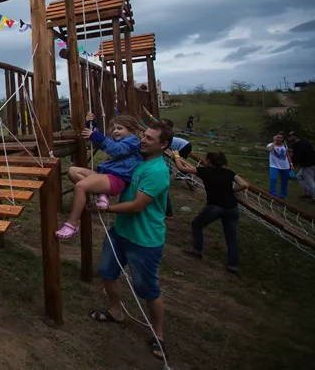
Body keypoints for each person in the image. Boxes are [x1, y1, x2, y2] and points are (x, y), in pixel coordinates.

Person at [89, 121, 172, 361]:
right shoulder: (138, 161)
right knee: (107, 272)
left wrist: (103, 211)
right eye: (143, 136)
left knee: (147, 289)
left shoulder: (156, 171)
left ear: (163, 145)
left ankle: (159, 334)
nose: (142, 140)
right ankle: (116, 311)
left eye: (149, 139)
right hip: (120, 232)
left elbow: (137, 206)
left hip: (144, 239)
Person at [56, 113, 142, 239]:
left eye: (120, 128)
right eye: (114, 128)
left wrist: (99, 137)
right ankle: (100, 194)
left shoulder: (133, 141)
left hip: (117, 179)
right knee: (73, 171)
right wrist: (93, 127)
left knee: (80, 186)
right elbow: (102, 143)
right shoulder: (120, 140)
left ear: (132, 131)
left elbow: (116, 149)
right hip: (106, 176)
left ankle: (72, 223)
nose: (115, 131)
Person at [174, 152, 249, 275]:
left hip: (215, 206)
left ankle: (197, 250)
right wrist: (233, 190)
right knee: (231, 237)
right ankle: (233, 265)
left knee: (197, 224)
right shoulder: (229, 173)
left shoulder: (205, 171)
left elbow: (181, 168)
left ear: (208, 161)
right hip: (232, 208)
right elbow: (245, 184)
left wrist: (176, 155)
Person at [163, 119, 193, 218]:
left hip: (183, 146)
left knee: (179, 162)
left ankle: (184, 174)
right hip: (185, 144)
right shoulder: (166, 136)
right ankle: (183, 174)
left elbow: (168, 152)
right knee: (178, 162)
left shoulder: (166, 138)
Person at [288, 132, 315, 200]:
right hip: (311, 163)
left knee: (310, 181)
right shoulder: (305, 142)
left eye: (290, 136)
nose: (289, 138)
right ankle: (308, 192)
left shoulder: (297, 145)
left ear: (294, 136)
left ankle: (314, 196)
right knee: (299, 176)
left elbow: (297, 156)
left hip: (308, 165)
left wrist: (292, 165)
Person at [266, 133, 292, 198]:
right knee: (273, 178)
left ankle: (283, 195)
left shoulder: (285, 146)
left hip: (285, 166)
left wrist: (291, 164)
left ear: (283, 139)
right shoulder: (270, 145)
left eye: (281, 138)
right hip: (274, 166)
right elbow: (269, 150)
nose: (279, 139)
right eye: (278, 137)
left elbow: (287, 155)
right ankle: (273, 194)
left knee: (284, 181)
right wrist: (274, 142)